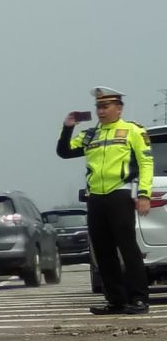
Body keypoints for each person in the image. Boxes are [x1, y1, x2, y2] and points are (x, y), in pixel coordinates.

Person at [56, 87, 153, 314]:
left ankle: (139, 298)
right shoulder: (91, 135)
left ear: (119, 108)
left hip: (120, 193)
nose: (101, 111)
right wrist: (68, 127)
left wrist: (144, 194)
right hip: (96, 198)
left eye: (106, 106)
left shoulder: (132, 131)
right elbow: (64, 152)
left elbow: (146, 163)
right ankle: (116, 300)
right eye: (98, 107)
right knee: (103, 251)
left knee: (127, 248)